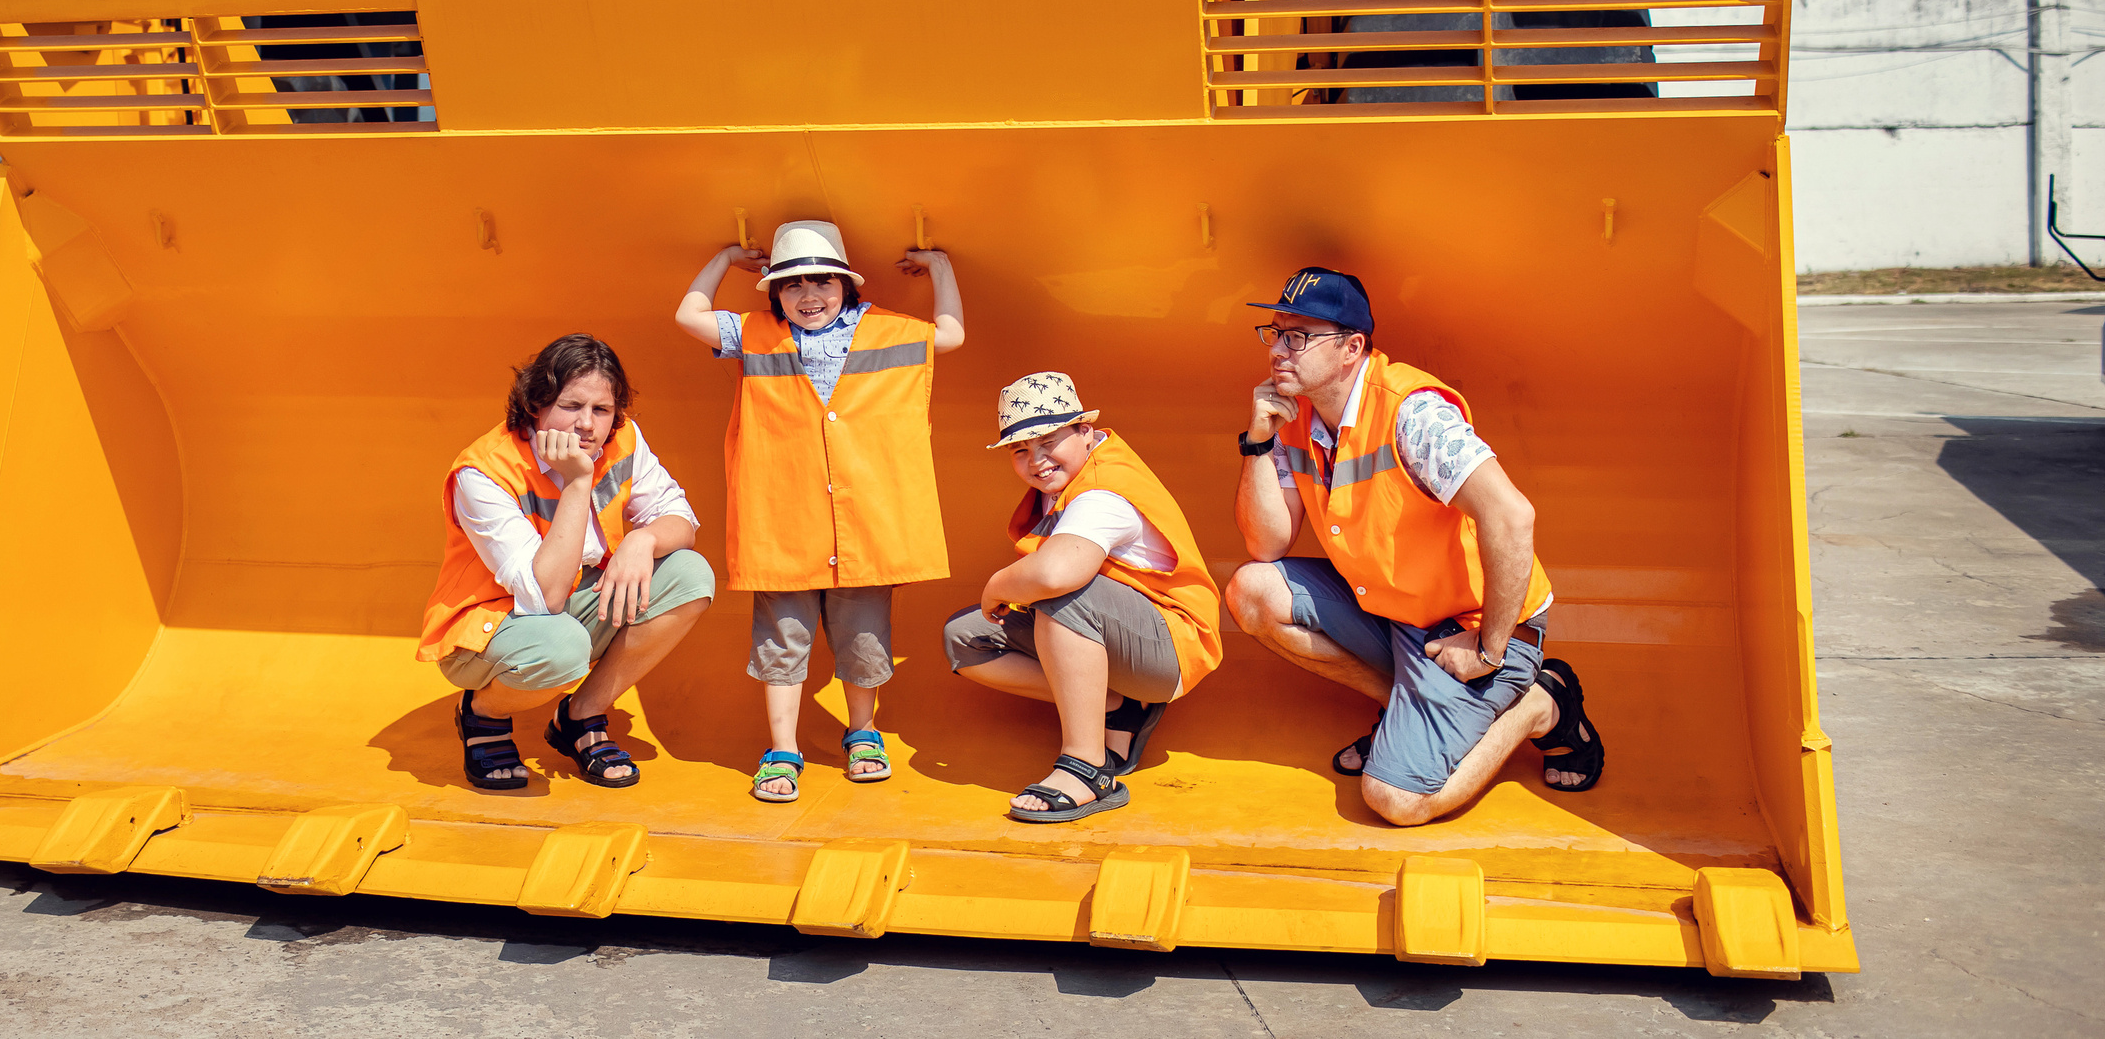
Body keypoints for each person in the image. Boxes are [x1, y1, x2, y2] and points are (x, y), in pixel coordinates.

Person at [1225, 265, 1606, 826]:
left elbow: (1512, 518)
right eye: (1276, 334)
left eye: (1298, 336)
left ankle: (1539, 704)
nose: (1278, 350)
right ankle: (1401, 707)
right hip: (1391, 610)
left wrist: (1488, 648)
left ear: (1352, 347)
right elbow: (1267, 545)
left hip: (1471, 625)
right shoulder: (1294, 418)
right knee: (1251, 592)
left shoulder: (1413, 412)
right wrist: (1257, 443)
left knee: (1396, 801)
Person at [676, 220, 963, 802]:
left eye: (824, 283)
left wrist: (939, 267)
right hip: (784, 522)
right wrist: (726, 256)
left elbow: (952, 335)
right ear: (775, 294)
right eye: (793, 286)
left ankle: (864, 733)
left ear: (847, 286)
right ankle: (783, 750)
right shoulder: (754, 335)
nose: (810, 296)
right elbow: (689, 315)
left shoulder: (887, 333)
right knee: (782, 640)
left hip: (863, 526)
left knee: (864, 637)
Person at [419, 333, 714, 790]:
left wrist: (643, 540)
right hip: (490, 626)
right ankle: (483, 714)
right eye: (570, 406)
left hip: (574, 606)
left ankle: (580, 715)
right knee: (561, 648)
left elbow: (682, 520)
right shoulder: (483, 473)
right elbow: (545, 596)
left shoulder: (622, 440)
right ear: (537, 405)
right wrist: (578, 482)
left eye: (601, 410)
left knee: (690, 575)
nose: (587, 425)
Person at [946, 373, 1223, 824]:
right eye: (1020, 450)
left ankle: (1087, 769)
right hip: (1124, 640)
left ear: (1085, 432)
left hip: (1172, 647)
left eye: (1048, 441)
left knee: (1062, 594)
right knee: (966, 638)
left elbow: (1057, 573)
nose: (1036, 460)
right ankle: (1118, 705)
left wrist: (998, 584)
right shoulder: (1063, 488)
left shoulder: (1102, 490)